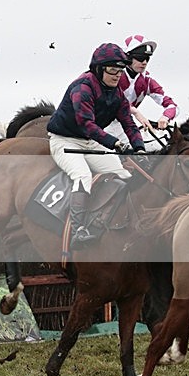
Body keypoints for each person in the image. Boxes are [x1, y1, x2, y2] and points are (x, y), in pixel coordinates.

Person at [47, 43, 146, 250]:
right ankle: (78, 229)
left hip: (89, 142)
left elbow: (129, 123)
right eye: (112, 69)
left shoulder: (117, 93)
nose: (117, 75)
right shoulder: (82, 87)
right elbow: (87, 125)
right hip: (64, 141)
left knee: (123, 173)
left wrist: (139, 148)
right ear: (99, 69)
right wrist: (116, 144)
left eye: (120, 70)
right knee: (82, 175)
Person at [103, 35, 179, 151]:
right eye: (140, 58)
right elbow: (114, 100)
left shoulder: (147, 80)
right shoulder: (114, 75)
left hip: (124, 126)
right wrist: (136, 112)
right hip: (102, 125)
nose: (144, 62)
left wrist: (165, 117)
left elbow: (172, 106)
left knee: (159, 148)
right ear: (128, 58)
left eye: (147, 59)